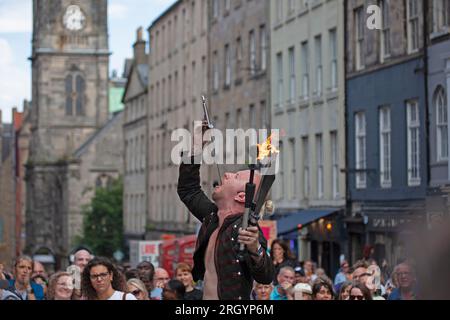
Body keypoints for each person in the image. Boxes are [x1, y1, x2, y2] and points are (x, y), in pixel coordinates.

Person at [177, 122, 274, 300]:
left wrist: (255, 248)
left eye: (236, 176)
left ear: (242, 196)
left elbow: (266, 276)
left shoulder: (246, 230)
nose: (227, 174)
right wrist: (196, 146)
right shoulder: (213, 218)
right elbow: (188, 189)